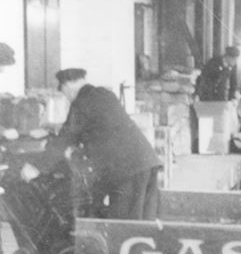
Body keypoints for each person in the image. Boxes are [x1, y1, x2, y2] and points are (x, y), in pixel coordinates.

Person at [54, 67, 161, 220]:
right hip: (147, 162)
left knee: (125, 227)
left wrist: (37, 166)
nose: (66, 97)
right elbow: (103, 130)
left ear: (67, 86)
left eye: (63, 92)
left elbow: (67, 136)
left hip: (128, 170)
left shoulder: (82, 101)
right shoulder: (104, 94)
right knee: (144, 224)